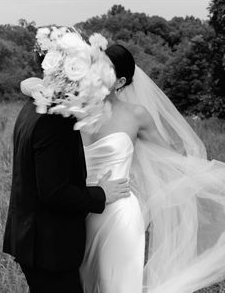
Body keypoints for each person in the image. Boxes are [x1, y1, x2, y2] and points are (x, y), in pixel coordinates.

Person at [21, 44, 225, 293]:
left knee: (116, 285)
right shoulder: (73, 107)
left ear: (120, 81)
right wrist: (33, 86)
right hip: (76, 212)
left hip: (118, 214)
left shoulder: (136, 115)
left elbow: (172, 158)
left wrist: (208, 177)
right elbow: (31, 82)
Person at [2, 48, 130, 293]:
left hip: (34, 240)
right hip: (49, 249)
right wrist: (102, 194)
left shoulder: (35, 104)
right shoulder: (56, 120)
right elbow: (54, 192)